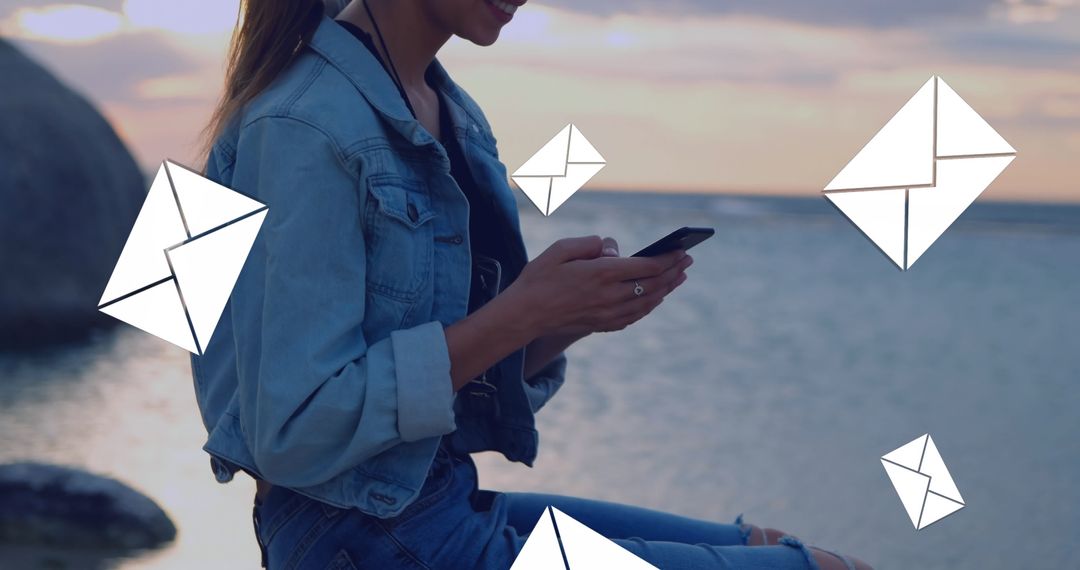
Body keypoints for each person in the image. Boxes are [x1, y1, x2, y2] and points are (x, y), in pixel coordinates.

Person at [191, 0, 872, 568]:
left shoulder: (454, 115)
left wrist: (572, 315)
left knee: (778, 547)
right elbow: (292, 430)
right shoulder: (301, 124)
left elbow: (455, 389)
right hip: (359, 536)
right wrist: (520, 313)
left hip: (437, 503)